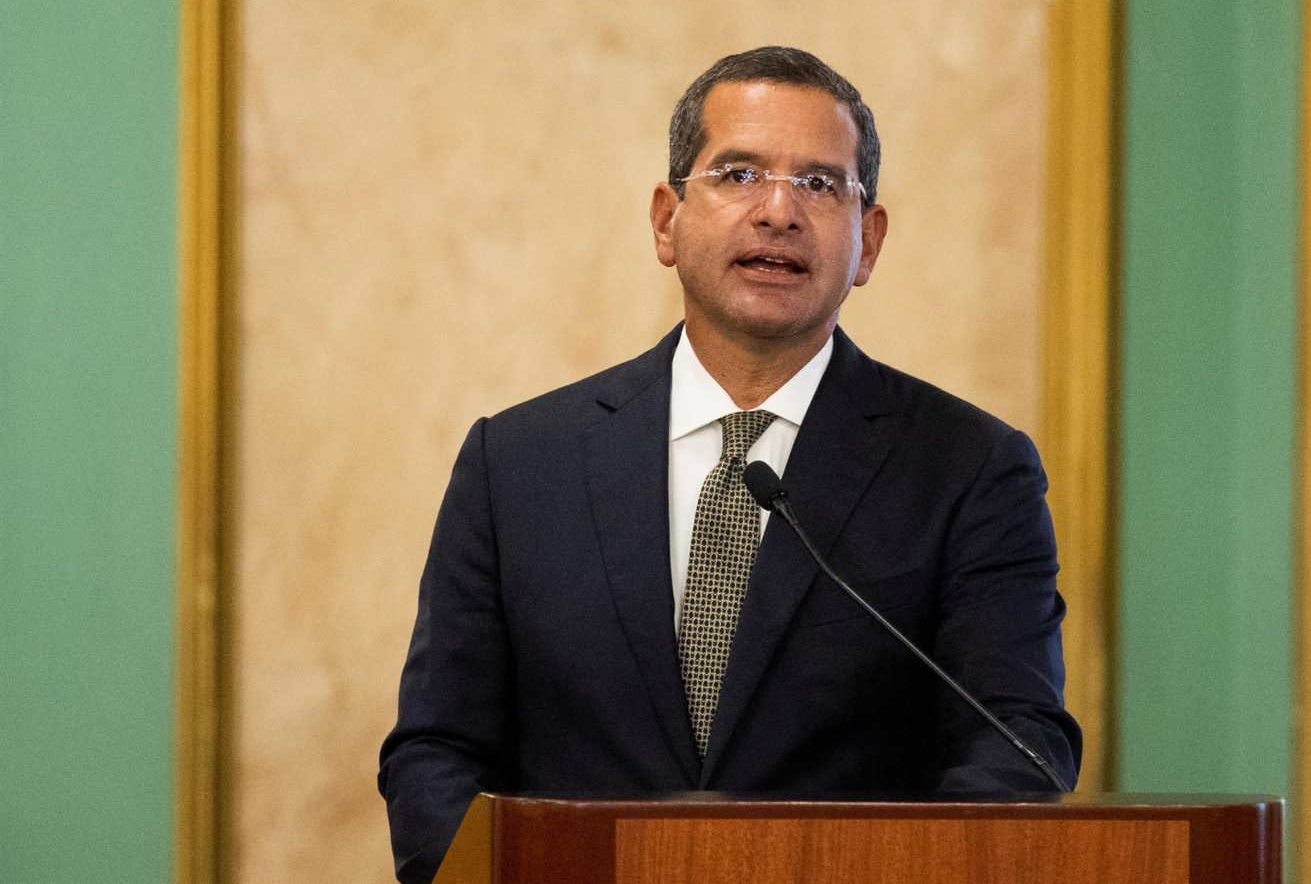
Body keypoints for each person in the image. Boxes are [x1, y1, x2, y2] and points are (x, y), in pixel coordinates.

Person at [378, 46, 1081, 884]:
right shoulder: (519, 464)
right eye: (739, 173)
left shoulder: (970, 471)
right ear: (666, 221)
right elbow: (437, 751)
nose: (779, 211)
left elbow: (1014, 746)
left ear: (869, 243)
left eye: (821, 184)